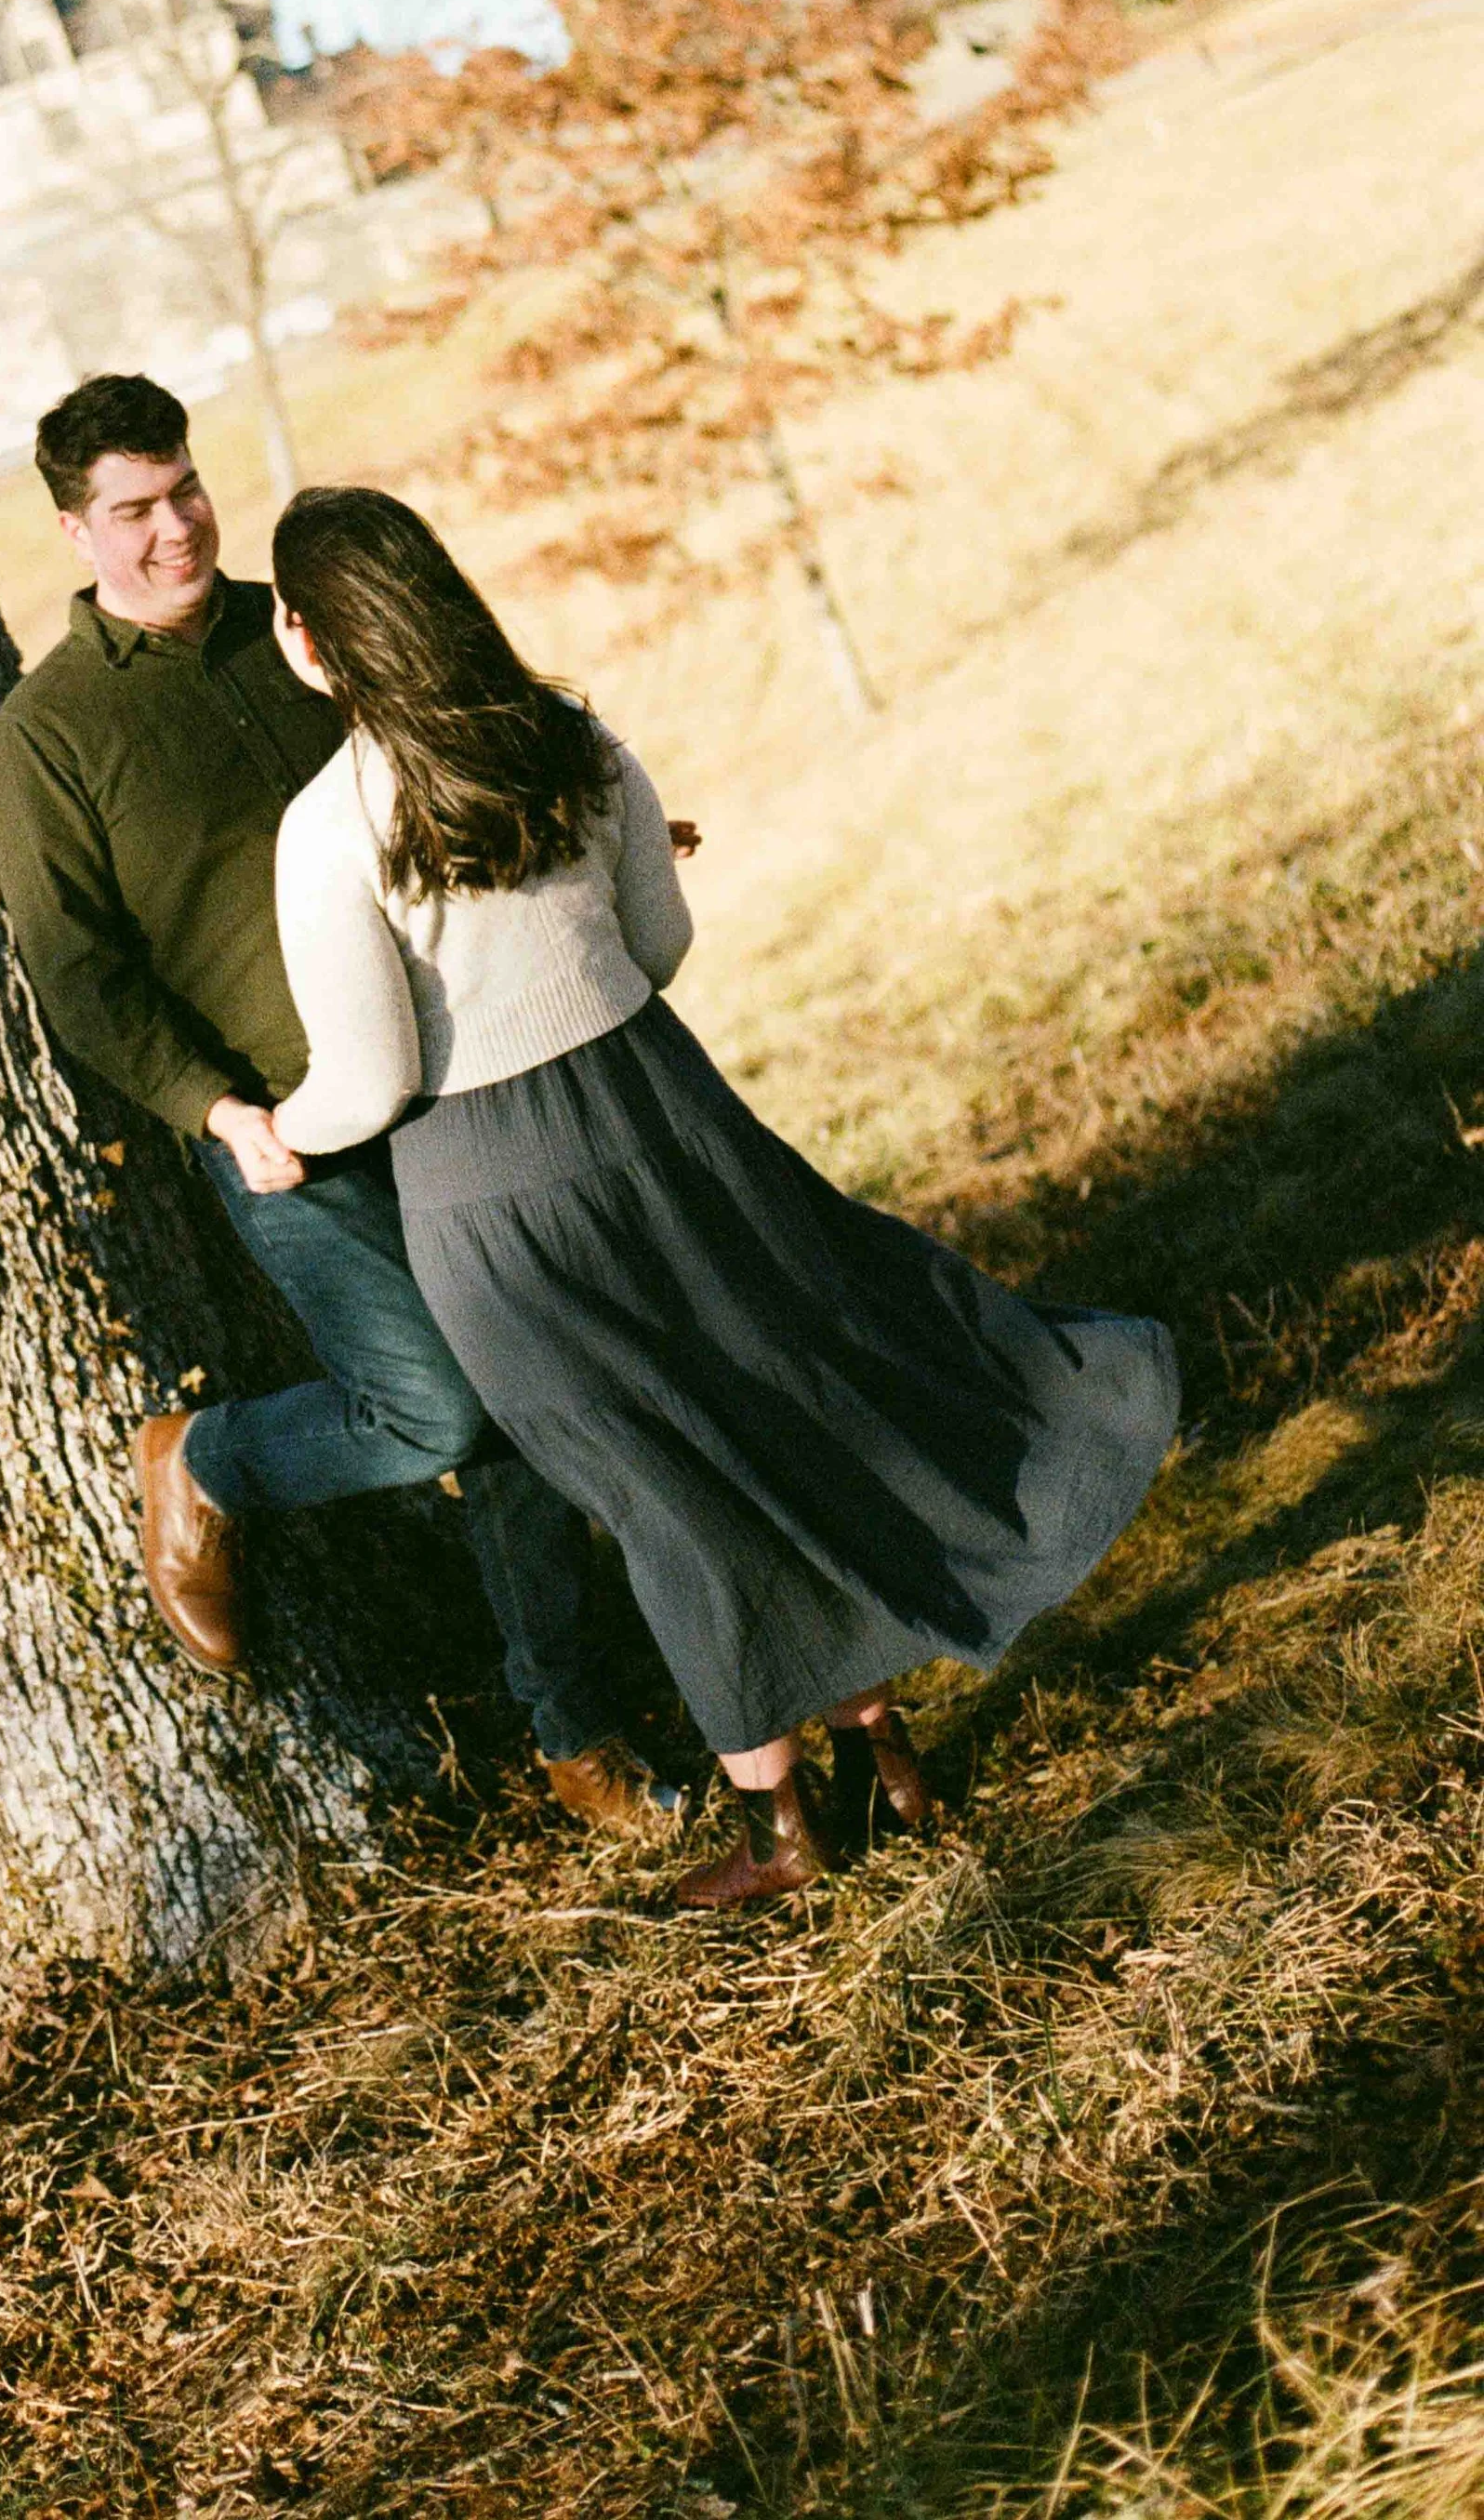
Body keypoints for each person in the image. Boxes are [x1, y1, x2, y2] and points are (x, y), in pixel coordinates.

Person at [260, 483, 1182, 1908]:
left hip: (496, 1200)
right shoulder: (570, 739)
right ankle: (893, 1759)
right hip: (672, 1126)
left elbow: (369, 1080)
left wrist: (277, 1128)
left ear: (311, 639)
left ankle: (780, 1828)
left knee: (660, 1485)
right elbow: (658, 942)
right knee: (781, 1403)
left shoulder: (328, 828)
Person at [0, 374, 681, 1835]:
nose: (174, 530)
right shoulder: (48, 736)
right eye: (133, 511)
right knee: (433, 1407)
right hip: (282, 1132)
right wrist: (215, 1111)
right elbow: (77, 969)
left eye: (183, 491)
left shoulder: (296, 631)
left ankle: (576, 1732)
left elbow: (435, 751)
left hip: (446, 1075)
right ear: (72, 530)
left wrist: (574, 828)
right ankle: (209, 1458)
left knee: (524, 1399)